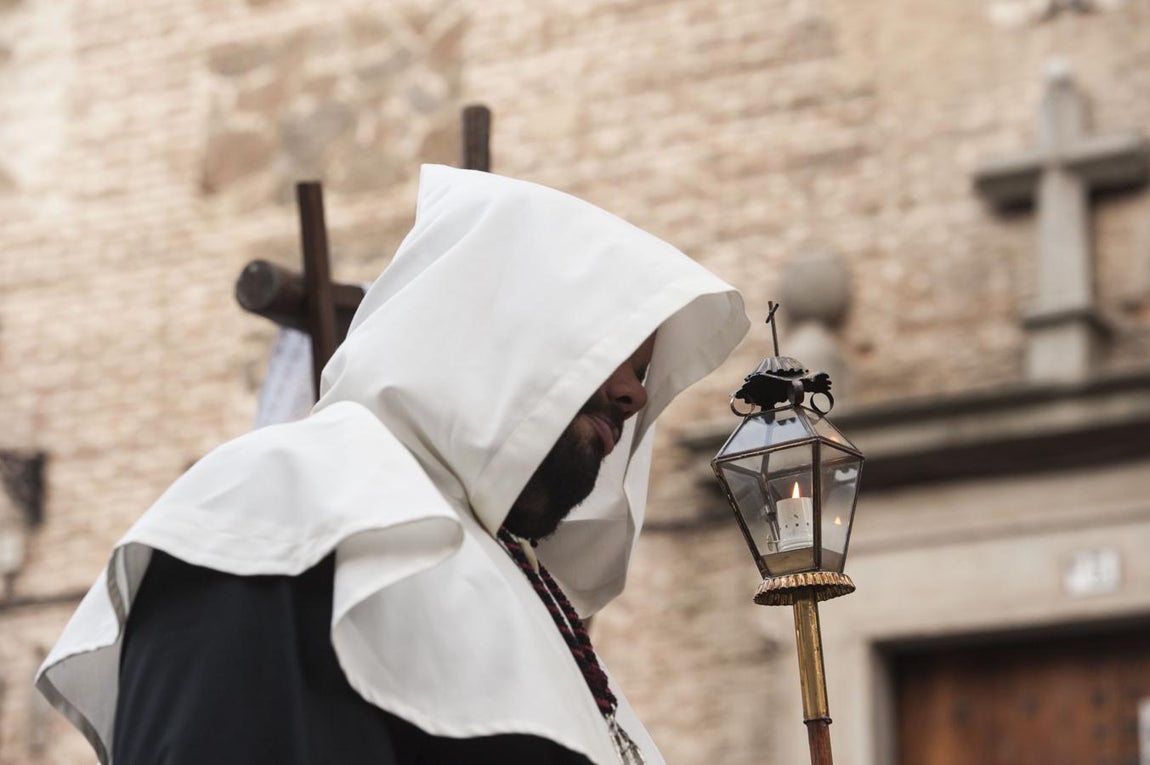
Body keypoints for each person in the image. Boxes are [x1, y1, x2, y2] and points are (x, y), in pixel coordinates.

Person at [36, 165, 749, 764]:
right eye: (616, 355)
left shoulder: (531, 589)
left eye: (643, 375)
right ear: (505, 328)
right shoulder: (278, 503)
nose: (634, 394)